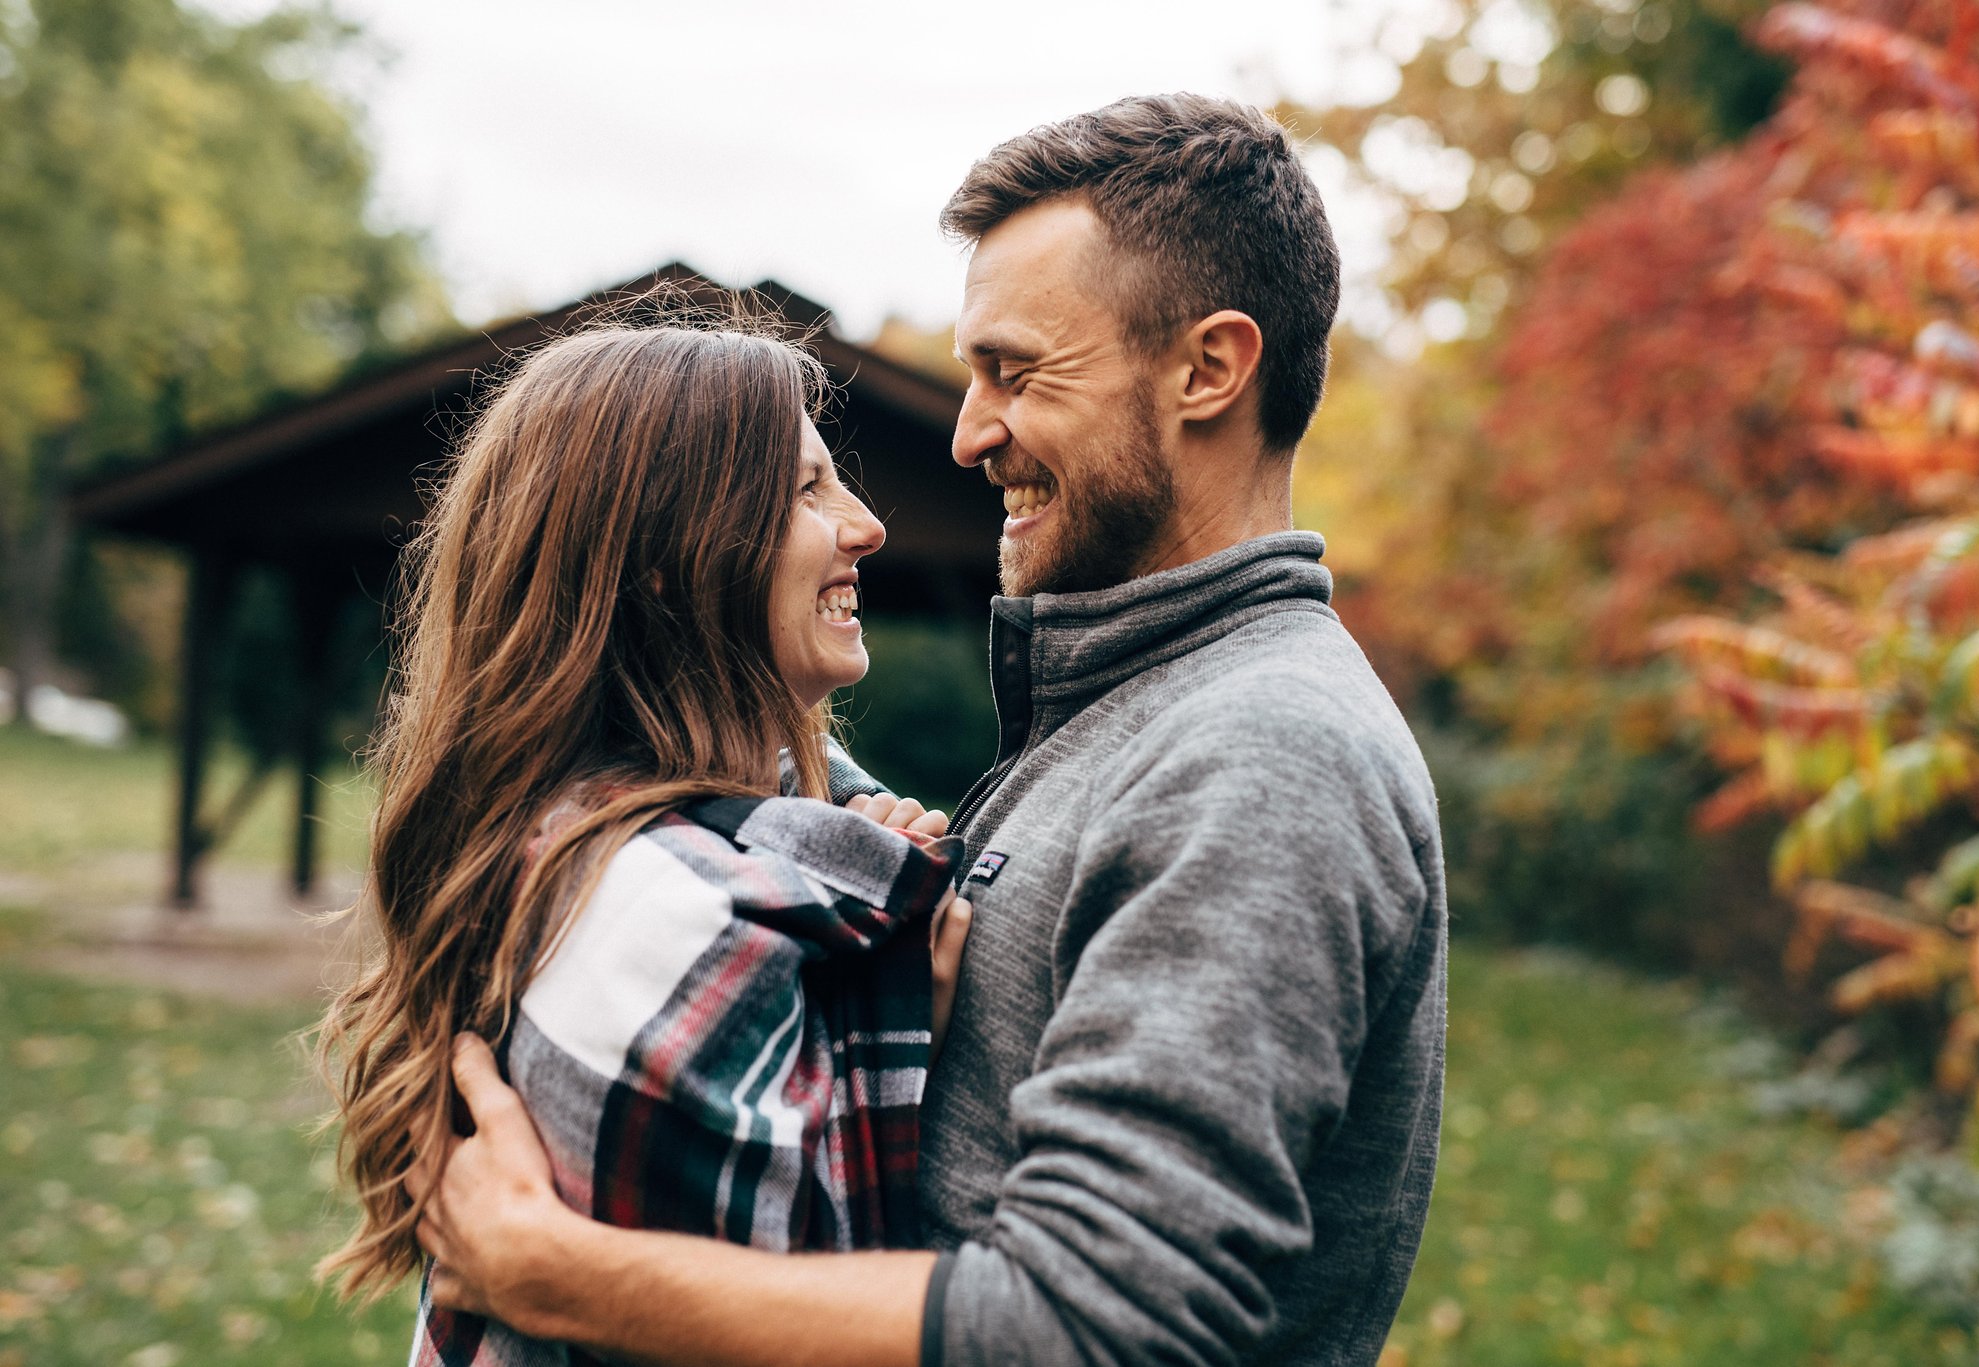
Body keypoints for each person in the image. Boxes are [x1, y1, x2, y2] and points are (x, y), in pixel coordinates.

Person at [404, 93, 1449, 1366]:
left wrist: (557, 1275)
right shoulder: (1128, 711)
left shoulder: (1261, 754)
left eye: (1015, 371)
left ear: (1207, 369)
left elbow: (1100, 1326)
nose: (966, 433)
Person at [312, 323, 973, 1366]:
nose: (866, 526)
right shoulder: (679, 910)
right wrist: (898, 1012)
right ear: (668, 566)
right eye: (805, 491)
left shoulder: (632, 838)